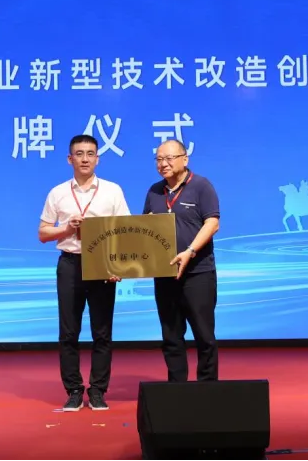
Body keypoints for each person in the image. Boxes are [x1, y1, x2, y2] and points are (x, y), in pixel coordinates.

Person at [39, 134, 131, 411]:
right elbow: (43, 233)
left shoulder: (112, 190)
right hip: (70, 264)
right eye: (79, 154)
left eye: (90, 154)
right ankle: (74, 390)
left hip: (102, 264)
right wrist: (67, 228)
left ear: (97, 159)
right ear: (70, 159)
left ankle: (99, 390)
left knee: (102, 331)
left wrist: (118, 266)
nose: (85, 159)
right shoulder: (57, 193)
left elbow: (125, 232)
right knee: (69, 332)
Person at [142, 139, 221, 382]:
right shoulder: (154, 191)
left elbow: (212, 223)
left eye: (169, 158)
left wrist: (190, 251)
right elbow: (144, 230)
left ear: (184, 159)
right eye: (158, 159)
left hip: (198, 273)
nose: (163, 164)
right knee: (171, 336)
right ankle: (177, 389)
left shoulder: (201, 186)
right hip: (165, 274)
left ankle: (207, 388)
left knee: (204, 335)